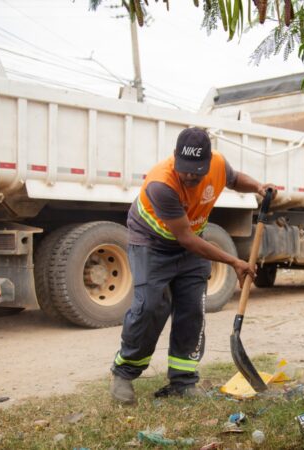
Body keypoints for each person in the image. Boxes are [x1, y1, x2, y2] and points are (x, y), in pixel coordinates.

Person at [110, 127, 275, 404]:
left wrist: (259, 187)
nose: (191, 176)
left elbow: (233, 179)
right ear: (175, 158)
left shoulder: (219, 165)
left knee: (192, 309)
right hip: (152, 244)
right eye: (186, 169)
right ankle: (124, 374)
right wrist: (235, 261)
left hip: (190, 242)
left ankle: (183, 381)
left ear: (210, 162)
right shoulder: (161, 184)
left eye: (198, 171)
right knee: (150, 307)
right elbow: (185, 238)